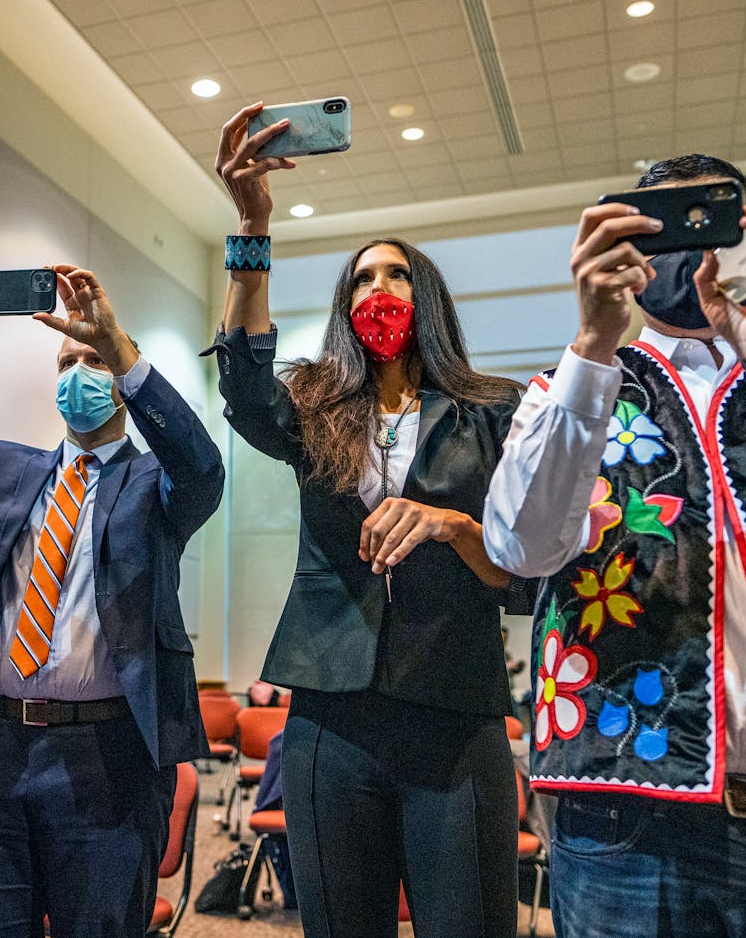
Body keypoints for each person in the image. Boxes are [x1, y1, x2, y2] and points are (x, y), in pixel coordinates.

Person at [483, 155, 746, 936]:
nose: (692, 253)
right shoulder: (565, 387)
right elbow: (521, 547)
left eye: (718, 223)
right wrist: (593, 343)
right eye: (661, 227)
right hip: (627, 823)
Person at [205, 102, 528, 937]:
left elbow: (525, 573)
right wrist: (251, 227)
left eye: (394, 275)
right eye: (361, 278)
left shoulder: (493, 409)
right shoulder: (315, 401)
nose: (377, 289)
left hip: (455, 713)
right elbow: (241, 388)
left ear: (426, 297)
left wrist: (453, 526)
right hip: (328, 719)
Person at [0, 264, 223, 937]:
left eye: (94, 358)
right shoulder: (1, 468)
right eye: (67, 361)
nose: (78, 373)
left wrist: (125, 355)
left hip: (107, 756)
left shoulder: (156, 483)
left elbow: (202, 466)